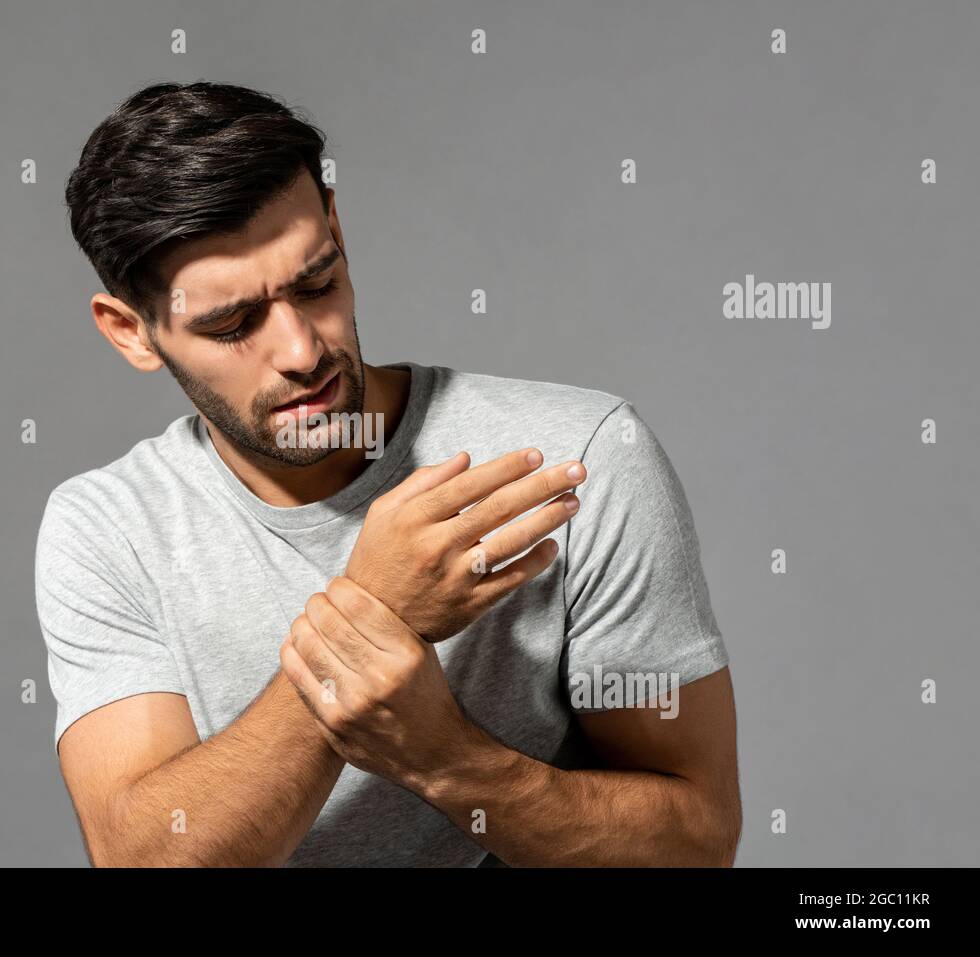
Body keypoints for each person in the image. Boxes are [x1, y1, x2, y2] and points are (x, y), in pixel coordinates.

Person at [36, 81, 740, 866]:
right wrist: (373, 608)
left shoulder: (581, 456)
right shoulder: (108, 529)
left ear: (335, 227)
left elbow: (697, 844)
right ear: (131, 333)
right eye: (233, 324)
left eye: (316, 283)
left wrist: (445, 758)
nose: (302, 351)